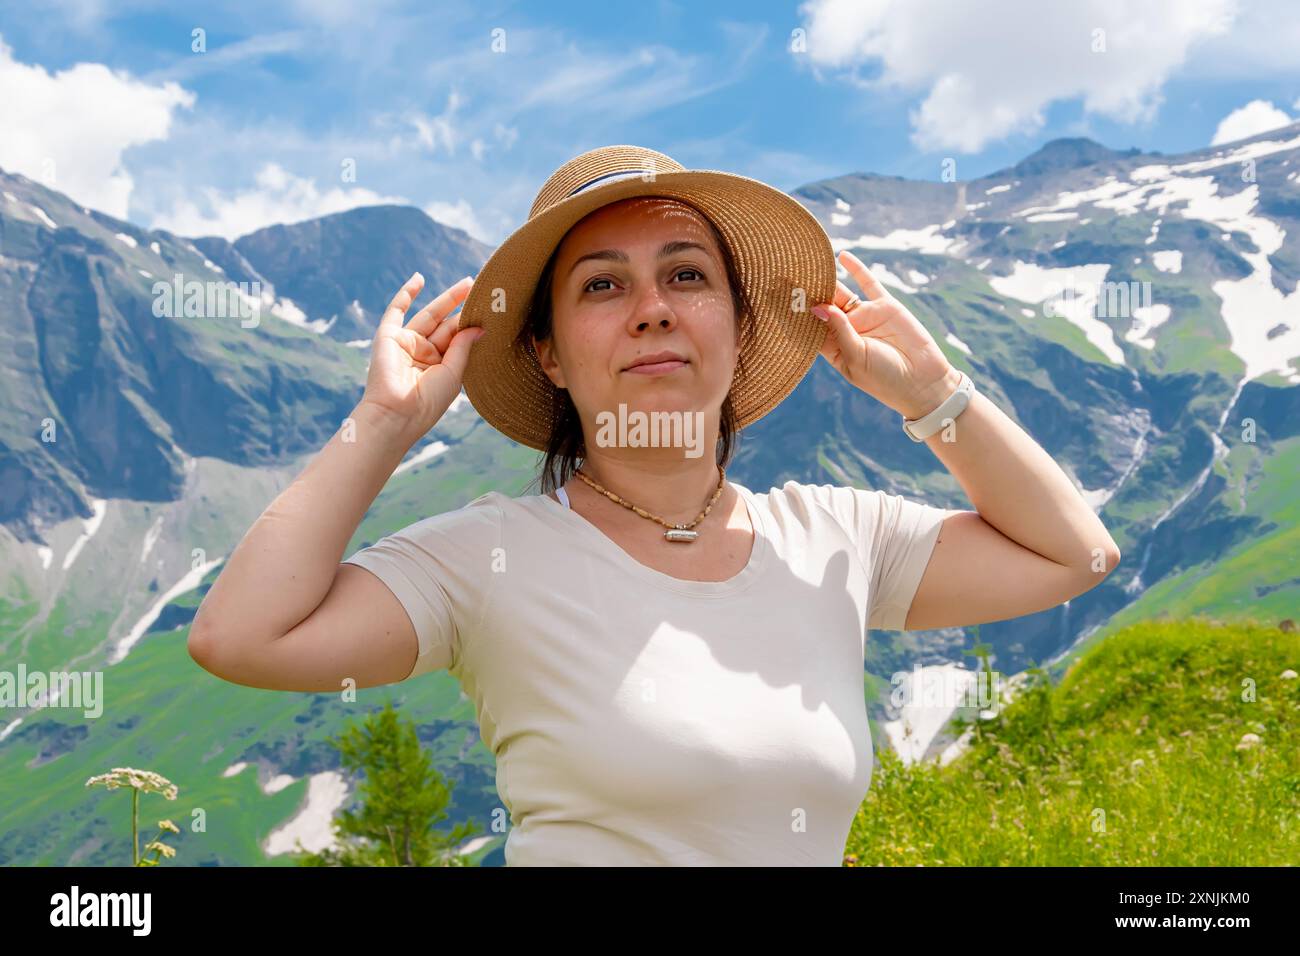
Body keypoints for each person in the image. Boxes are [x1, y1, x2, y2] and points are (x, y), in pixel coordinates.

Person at [189, 145, 1121, 866]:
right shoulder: (486, 558)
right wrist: (386, 422)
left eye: (687, 275)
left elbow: (1073, 556)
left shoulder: (838, 536)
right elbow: (240, 638)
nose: (653, 308)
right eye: (602, 285)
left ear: (737, 324)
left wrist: (932, 391)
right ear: (549, 356)